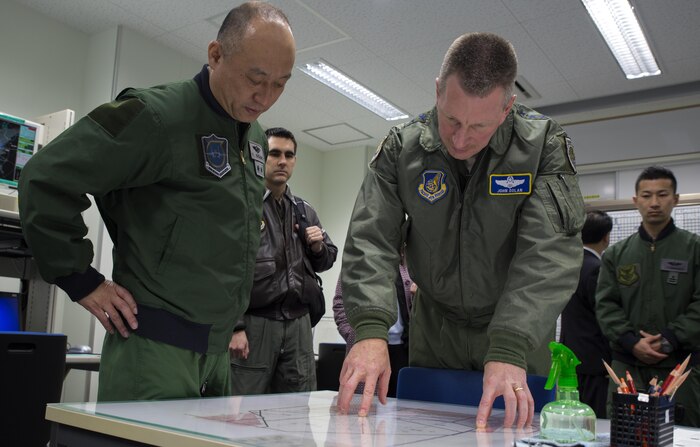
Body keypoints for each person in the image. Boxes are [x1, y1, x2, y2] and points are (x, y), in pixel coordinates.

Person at [18, 2, 296, 401]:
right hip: (154, 351)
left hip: (216, 355)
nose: (265, 96)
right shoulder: (155, 116)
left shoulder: (253, 138)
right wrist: (81, 280)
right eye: (256, 78)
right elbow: (45, 177)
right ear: (216, 55)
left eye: (280, 83)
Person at [337, 32, 585, 428]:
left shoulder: (542, 146)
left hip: (516, 327)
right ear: (438, 91)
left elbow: (549, 253)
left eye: (479, 126)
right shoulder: (404, 148)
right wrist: (369, 330)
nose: (459, 138)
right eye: (451, 118)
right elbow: (370, 238)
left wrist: (509, 345)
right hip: (435, 329)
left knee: (513, 433)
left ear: (508, 109)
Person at [229, 127, 337, 394]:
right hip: (256, 323)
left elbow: (328, 259)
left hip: (299, 324)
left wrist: (317, 246)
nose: (282, 161)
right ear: (260, 157)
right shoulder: (242, 206)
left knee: (296, 407)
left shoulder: (303, 210)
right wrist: (234, 326)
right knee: (245, 408)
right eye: (274, 153)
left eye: (289, 155)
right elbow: (225, 269)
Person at [596, 166, 699, 427]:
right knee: (624, 431)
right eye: (646, 195)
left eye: (662, 194)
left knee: (679, 435)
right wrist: (631, 342)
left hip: (679, 369)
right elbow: (606, 305)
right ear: (635, 201)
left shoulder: (693, 249)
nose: (654, 202)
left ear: (675, 199)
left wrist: (669, 339)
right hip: (627, 367)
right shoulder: (617, 254)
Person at [333, 258, 416, 397]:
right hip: (367, 347)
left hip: (405, 350)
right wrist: (355, 335)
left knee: (404, 409)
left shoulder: (411, 263)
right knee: (364, 404)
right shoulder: (357, 261)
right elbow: (340, 304)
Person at [560, 210, 613, 418]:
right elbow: (604, 316)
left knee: (573, 417)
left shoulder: (568, 266)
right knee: (593, 418)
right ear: (606, 237)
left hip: (570, 355)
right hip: (593, 361)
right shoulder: (596, 269)